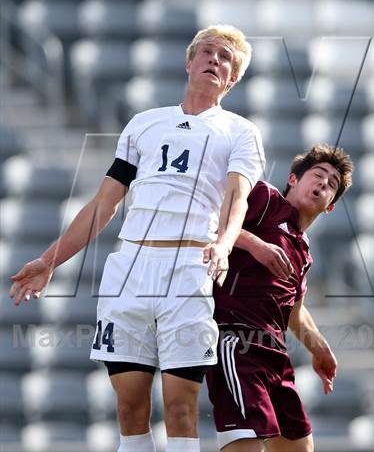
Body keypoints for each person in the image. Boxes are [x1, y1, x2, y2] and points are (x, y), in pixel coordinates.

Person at [9, 25, 265, 452]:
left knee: (181, 407)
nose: (214, 60)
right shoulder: (144, 125)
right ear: (189, 62)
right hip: (129, 269)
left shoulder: (239, 131)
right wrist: (49, 260)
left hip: (188, 269)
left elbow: (238, 197)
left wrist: (222, 244)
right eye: (207, 52)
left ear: (233, 78)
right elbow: (103, 203)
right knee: (129, 407)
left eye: (224, 58)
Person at [206, 144, 353, 452]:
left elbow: (294, 311)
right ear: (293, 180)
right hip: (237, 343)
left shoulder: (304, 252)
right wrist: (255, 244)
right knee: (247, 444)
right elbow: (206, 221)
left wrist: (320, 348)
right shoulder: (265, 198)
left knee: (300, 446)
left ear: (330, 206)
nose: (324, 183)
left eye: (332, 184)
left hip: (275, 356)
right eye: (318, 174)